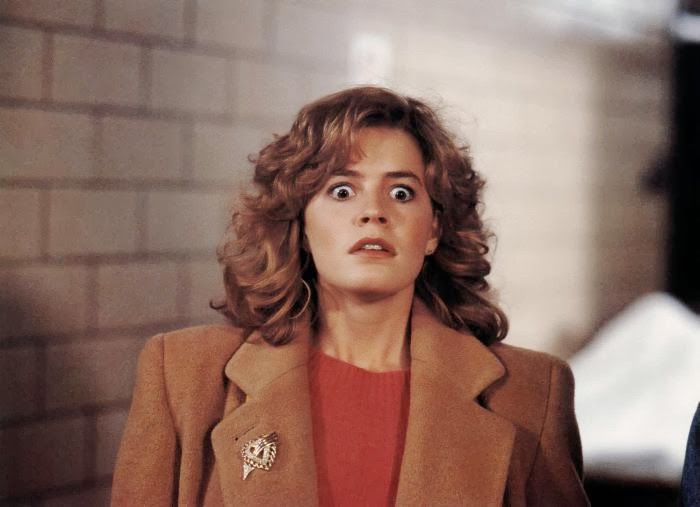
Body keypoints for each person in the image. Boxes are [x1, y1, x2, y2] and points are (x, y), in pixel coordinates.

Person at [112, 86, 590, 506]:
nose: (373, 213)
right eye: (342, 191)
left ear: (433, 229)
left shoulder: (532, 394)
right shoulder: (182, 377)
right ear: (300, 222)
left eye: (401, 193)